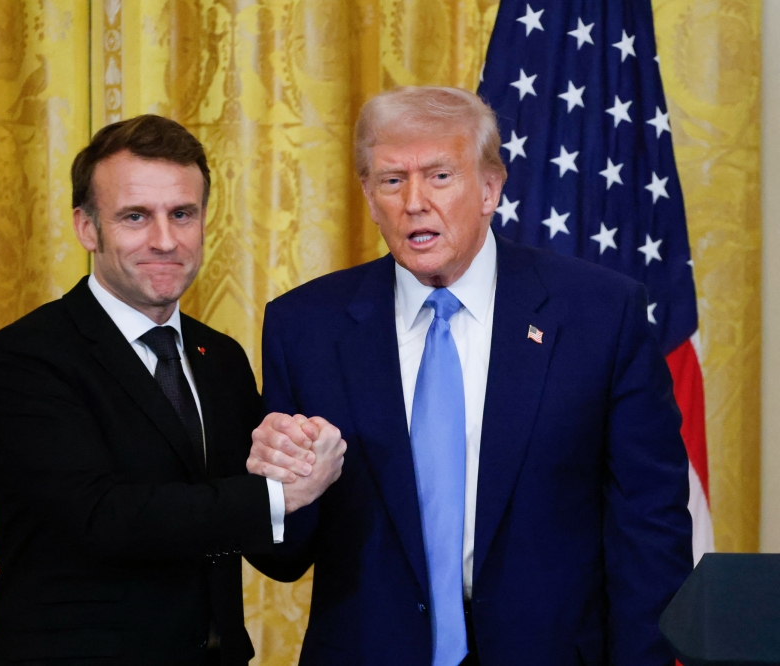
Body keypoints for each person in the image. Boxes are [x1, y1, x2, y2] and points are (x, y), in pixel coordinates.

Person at [246, 87, 693, 666]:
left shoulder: (600, 315)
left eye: (439, 176)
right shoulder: (305, 326)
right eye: (392, 180)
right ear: (369, 196)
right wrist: (279, 492)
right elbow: (282, 558)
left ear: (489, 189)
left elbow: (650, 527)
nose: (414, 202)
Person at [0, 115, 345, 666]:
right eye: (135, 216)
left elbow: (277, 554)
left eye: (182, 214)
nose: (165, 240)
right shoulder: (27, 357)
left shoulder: (220, 358)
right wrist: (276, 496)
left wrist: (305, 463)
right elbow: (99, 519)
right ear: (87, 228)